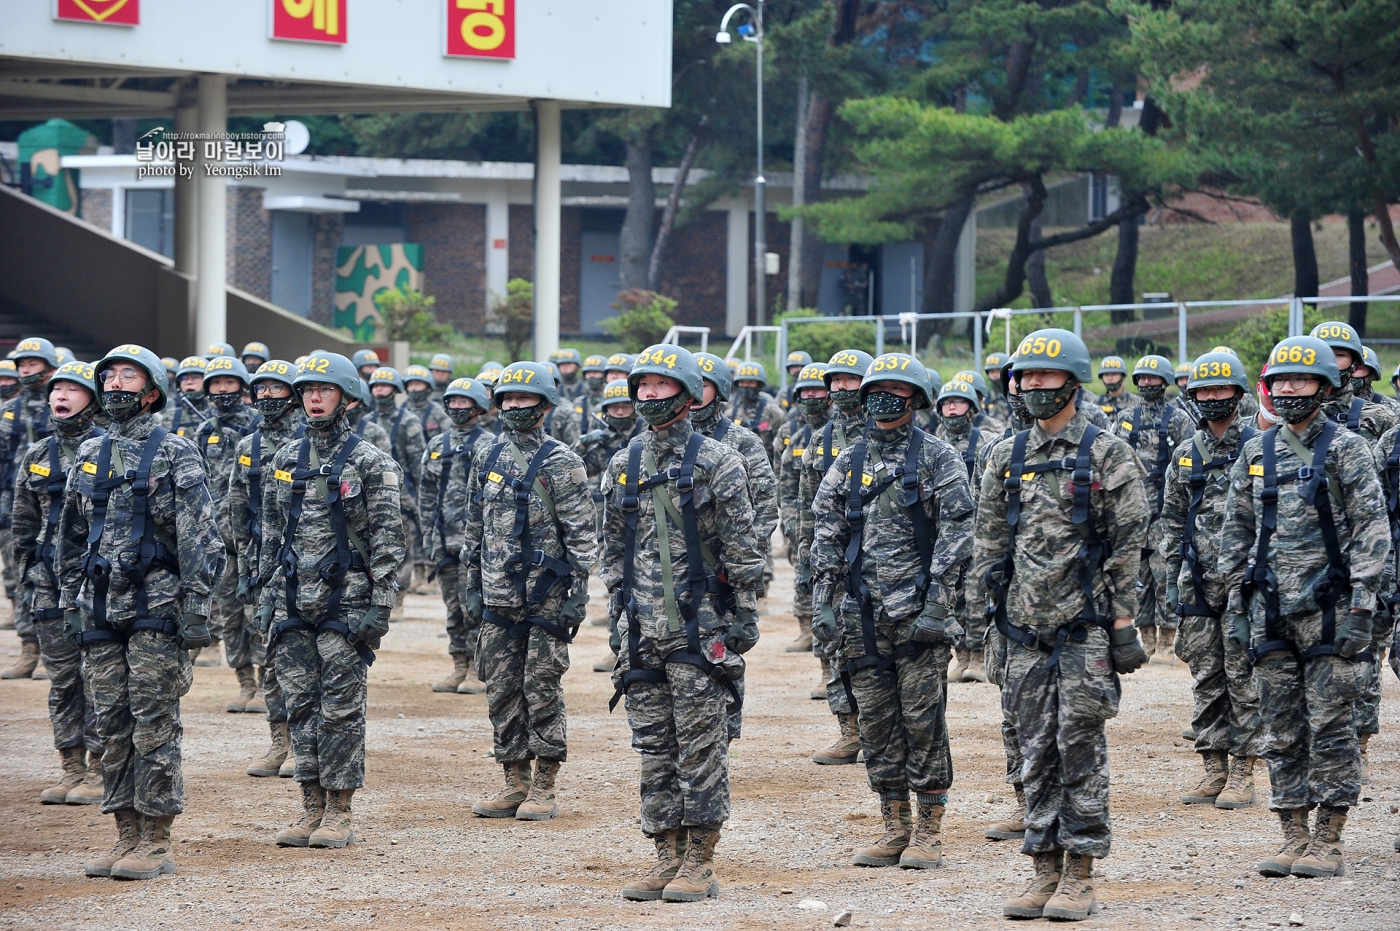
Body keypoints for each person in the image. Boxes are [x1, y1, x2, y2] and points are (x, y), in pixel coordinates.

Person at [971, 329, 1149, 920]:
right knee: (1033, 751)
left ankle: (1080, 873)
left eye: (1045, 377)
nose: (1033, 387)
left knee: (1079, 748)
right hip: (1022, 631)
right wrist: (984, 626)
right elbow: (990, 546)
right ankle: (1042, 869)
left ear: (1072, 381)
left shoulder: (1106, 453)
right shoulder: (1005, 455)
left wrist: (1124, 622)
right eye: (1025, 377)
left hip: (1085, 630)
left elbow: (1128, 545)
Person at [1220, 335, 1389, 880]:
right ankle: (1292, 833)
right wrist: (1235, 604)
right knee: (1281, 727)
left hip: (1332, 611)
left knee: (1332, 727)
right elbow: (1236, 531)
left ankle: (1328, 839)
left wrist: (1363, 604)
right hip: (1270, 611)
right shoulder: (1255, 450)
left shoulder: (1346, 448)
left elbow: (1371, 529)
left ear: (1325, 385)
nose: (1288, 389)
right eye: (1279, 381)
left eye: (1300, 380)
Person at [57, 344, 226, 880]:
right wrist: (70, 601)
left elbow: (203, 536)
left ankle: (156, 839)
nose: (114, 385)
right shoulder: (88, 453)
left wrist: (197, 606)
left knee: (153, 723)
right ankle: (123, 833)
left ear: (152, 391)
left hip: (159, 608)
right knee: (109, 722)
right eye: (107, 376)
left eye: (128, 376)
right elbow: (69, 536)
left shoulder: (176, 451)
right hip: (102, 608)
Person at [602, 344, 763, 902]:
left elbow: (744, 548)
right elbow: (611, 551)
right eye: (641, 386)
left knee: (701, 746)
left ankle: (700, 859)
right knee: (653, 746)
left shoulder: (718, 461)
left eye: (661, 386)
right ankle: (664, 853)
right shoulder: (623, 464)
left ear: (689, 396)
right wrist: (617, 621)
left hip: (700, 627)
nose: (648, 395)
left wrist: (744, 615)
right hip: (640, 631)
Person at [810, 353, 974, 873]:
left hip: (919, 615)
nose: (883, 398)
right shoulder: (849, 460)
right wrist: (825, 604)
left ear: (917, 399)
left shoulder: (938, 457)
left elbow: (958, 532)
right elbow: (827, 532)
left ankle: (929, 828)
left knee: (923, 721)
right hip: (862, 615)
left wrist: (939, 605)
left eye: (897, 390)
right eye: (876, 388)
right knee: (877, 724)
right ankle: (893, 823)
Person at [254, 352, 405, 850]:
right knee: (299, 705)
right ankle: (309, 807)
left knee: (341, 710)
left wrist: (381, 604)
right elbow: (274, 535)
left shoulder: (371, 461)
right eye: (307, 391)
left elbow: (388, 540)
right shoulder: (284, 460)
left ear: (347, 398)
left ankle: (339, 811)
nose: (314, 399)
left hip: (347, 603)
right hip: (295, 600)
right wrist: (267, 595)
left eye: (325, 390)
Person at [461, 362, 597, 822]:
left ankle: (544, 783)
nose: (516, 407)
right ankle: (513, 780)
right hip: (497, 596)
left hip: (547, 595)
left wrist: (577, 593)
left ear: (544, 405)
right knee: (500, 689)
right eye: (509, 399)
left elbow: (582, 537)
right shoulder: (487, 456)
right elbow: (474, 526)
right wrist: (472, 585)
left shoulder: (564, 462)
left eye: (525, 399)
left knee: (540, 687)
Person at [1159, 352, 1264, 809]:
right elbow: (1171, 520)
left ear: (1239, 393)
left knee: (1244, 676)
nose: (1212, 398)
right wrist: (1169, 580)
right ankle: (1213, 766)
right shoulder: (1185, 455)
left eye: (1221, 390)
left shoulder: (1261, 447)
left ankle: (1243, 770)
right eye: (1203, 390)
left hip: (1246, 584)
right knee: (1206, 676)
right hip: (1197, 582)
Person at [12, 360, 105, 803]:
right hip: (49, 580)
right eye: (56, 390)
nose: (59, 396)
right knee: (64, 677)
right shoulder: (37, 454)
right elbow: (22, 526)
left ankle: (103, 767)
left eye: (72, 389)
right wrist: (28, 578)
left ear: (94, 398)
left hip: (98, 580)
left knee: (101, 677)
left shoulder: (110, 449)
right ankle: (71, 765)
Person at [689, 351, 778, 741]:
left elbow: (765, 510)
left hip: (721, 577)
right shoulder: (653, 443)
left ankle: (721, 745)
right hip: (671, 576)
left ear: (719, 390)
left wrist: (738, 566)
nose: (692, 392)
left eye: (702, 385)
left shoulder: (743, 442)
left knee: (723, 663)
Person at [228, 360, 305, 779]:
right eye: (261, 389)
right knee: (272, 654)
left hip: (307, 563)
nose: (268, 396)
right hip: (262, 563)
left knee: (301, 657)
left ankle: (305, 744)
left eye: (277, 389)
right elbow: (237, 509)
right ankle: (280, 740)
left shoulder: (309, 440)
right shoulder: (247, 447)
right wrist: (243, 569)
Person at [799, 349, 873, 765]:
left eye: (851, 380)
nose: (842, 389)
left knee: (877, 650)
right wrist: (806, 560)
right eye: (836, 381)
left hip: (883, 561)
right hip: (833, 563)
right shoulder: (821, 438)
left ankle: (878, 733)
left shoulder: (886, 430)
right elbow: (807, 503)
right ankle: (848, 732)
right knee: (833, 647)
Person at [193, 356, 265, 711]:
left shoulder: (259, 427)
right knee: (229, 614)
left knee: (258, 612)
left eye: (229, 382)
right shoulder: (204, 431)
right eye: (215, 384)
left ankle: (268, 683)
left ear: (242, 386)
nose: (222, 390)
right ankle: (245, 681)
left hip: (253, 539)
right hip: (217, 542)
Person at [1110, 355, 1193, 661]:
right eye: (1142, 378)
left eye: (1153, 378)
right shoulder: (1124, 418)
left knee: (1164, 576)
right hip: (1131, 515)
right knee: (1136, 578)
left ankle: (1169, 640)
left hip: (1163, 513)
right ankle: (1145, 637)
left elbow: (1188, 461)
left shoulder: (1179, 419)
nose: (1147, 383)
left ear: (1165, 382)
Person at [423, 376, 495, 695]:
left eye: (464, 402)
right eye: (452, 401)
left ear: (478, 406)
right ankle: (459, 665)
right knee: (452, 607)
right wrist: (429, 534)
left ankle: (480, 670)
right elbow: (427, 492)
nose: (457, 407)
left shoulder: (490, 444)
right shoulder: (437, 445)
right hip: (444, 540)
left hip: (477, 543)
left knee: (475, 607)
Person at [0, 337, 59, 678]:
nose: (25, 370)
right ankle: (28, 649)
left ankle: (57, 651)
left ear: (49, 367)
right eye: (21, 365)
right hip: (16, 508)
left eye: (32, 364)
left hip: (57, 506)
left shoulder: (67, 403)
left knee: (59, 577)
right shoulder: (9, 412)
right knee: (23, 576)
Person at [933, 378, 997, 684]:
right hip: (947, 534)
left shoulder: (987, 441)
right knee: (954, 598)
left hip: (979, 532)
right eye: (946, 403)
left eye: (958, 402)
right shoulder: (933, 441)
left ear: (971, 408)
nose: (952, 407)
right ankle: (961, 657)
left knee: (978, 595)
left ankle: (980, 658)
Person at [777, 362, 829, 654]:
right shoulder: (795, 438)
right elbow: (785, 487)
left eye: (817, 389)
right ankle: (805, 629)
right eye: (805, 390)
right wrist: (789, 522)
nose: (811, 396)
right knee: (804, 576)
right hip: (805, 522)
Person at [366, 367, 425, 611]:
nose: (379, 389)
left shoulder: (409, 422)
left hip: (402, 494)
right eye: (376, 385)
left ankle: (398, 598)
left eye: (385, 385)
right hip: (368, 492)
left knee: (401, 548)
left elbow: (417, 465)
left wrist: (418, 500)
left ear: (395, 390)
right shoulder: (367, 421)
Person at [728, 360, 785, 466]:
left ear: (759, 385)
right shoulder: (729, 412)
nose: (746, 386)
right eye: (742, 382)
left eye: (750, 382)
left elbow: (780, 449)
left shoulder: (773, 413)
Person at [163, 356, 210, 439]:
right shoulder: (171, 416)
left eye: (195, 377)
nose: (189, 382)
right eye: (184, 378)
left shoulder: (217, 414)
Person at [402, 364, 448, 444]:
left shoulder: (437, 411)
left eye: (418, 384)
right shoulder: (402, 410)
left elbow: (448, 436)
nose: (414, 388)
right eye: (411, 384)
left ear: (427, 387)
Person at [983, 352, 1012, 422]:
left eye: (998, 371)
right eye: (992, 372)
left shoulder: (1015, 396)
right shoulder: (986, 397)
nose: (995, 375)